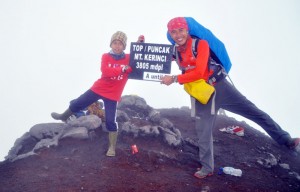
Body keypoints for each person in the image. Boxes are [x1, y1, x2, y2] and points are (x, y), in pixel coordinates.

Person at [160, 17, 300, 179]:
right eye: (174, 32)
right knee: (203, 130)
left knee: (254, 112)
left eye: (181, 30)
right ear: (170, 35)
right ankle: (207, 168)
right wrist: (141, 46)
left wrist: (175, 79)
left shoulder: (200, 44)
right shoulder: (175, 51)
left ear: (187, 30)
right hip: (202, 95)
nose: (178, 35)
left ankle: (286, 140)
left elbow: (199, 72)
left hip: (221, 87)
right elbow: (154, 57)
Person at [51, 31, 144, 157]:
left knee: (111, 121)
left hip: (113, 94)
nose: (117, 46)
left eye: (120, 44)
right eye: (115, 43)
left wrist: (139, 44)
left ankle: (112, 147)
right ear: (111, 44)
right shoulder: (106, 56)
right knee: (78, 102)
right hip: (99, 88)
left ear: (124, 46)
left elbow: (137, 56)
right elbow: (106, 71)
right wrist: (122, 69)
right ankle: (63, 116)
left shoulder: (128, 58)